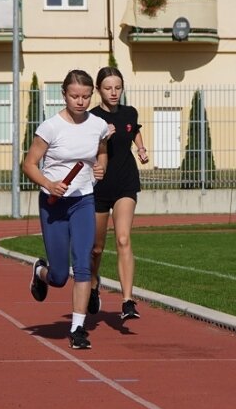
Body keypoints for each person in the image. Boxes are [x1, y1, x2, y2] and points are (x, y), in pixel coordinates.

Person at [22, 69, 108, 349]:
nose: (80, 101)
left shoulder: (98, 125)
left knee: (83, 263)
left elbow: (102, 150)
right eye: (74, 96)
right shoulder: (51, 127)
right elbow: (29, 164)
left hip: (83, 200)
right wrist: (49, 183)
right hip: (54, 204)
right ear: (64, 95)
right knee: (59, 276)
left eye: (85, 96)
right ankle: (40, 272)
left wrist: (101, 167)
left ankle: (78, 328)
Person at [88, 66, 149, 321]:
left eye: (118, 87)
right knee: (97, 248)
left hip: (126, 182)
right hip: (99, 187)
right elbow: (81, 149)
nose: (114, 93)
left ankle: (127, 301)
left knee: (123, 239)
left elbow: (133, 129)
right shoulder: (90, 118)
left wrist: (141, 148)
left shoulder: (129, 112)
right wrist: (101, 139)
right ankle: (92, 286)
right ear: (98, 90)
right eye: (108, 88)